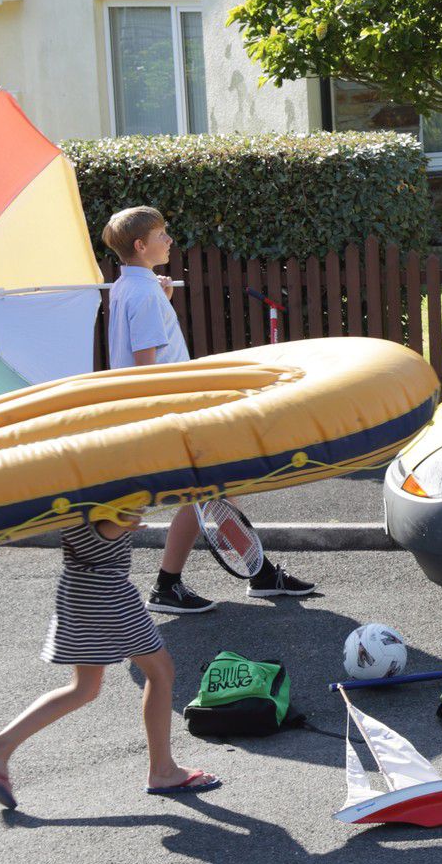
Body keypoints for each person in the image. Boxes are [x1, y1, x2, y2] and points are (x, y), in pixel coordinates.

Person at [103, 206, 317, 614]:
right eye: (162, 235)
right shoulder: (144, 294)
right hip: (171, 411)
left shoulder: (127, 287)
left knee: (213, 491)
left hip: (165, 410)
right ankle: (171, 585)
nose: (169, 240)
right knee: (206, 492)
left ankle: (257, 574)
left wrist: (164, 299)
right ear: (141, 245)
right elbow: (146, 367)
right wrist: (178, 417)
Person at [0, 506, 221, 808]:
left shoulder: (73, 497)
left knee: (84, 689)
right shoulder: (100, 501)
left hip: (80, 591)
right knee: (160, 672)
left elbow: (92, 527)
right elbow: (101, 529)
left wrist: (122, 519)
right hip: (108, 595)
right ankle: (163, 771)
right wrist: (122, 521)